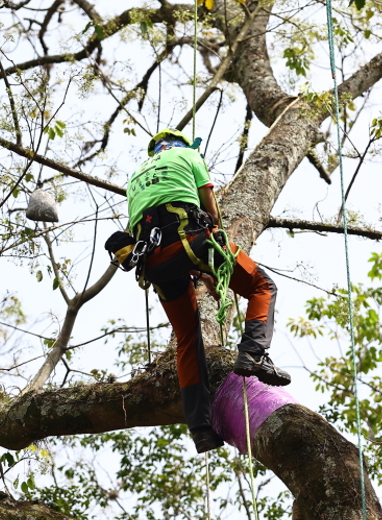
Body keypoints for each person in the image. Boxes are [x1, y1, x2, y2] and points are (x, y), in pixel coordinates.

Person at [123, 128, 291, 453]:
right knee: (261, 285)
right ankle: (253, 354)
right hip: (195, 241)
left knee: (187, 338)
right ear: (180, 145)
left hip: (154, 260)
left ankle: (200, 428)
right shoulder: (189, 155)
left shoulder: (136, 176)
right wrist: (215, 264)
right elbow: (210, 208)